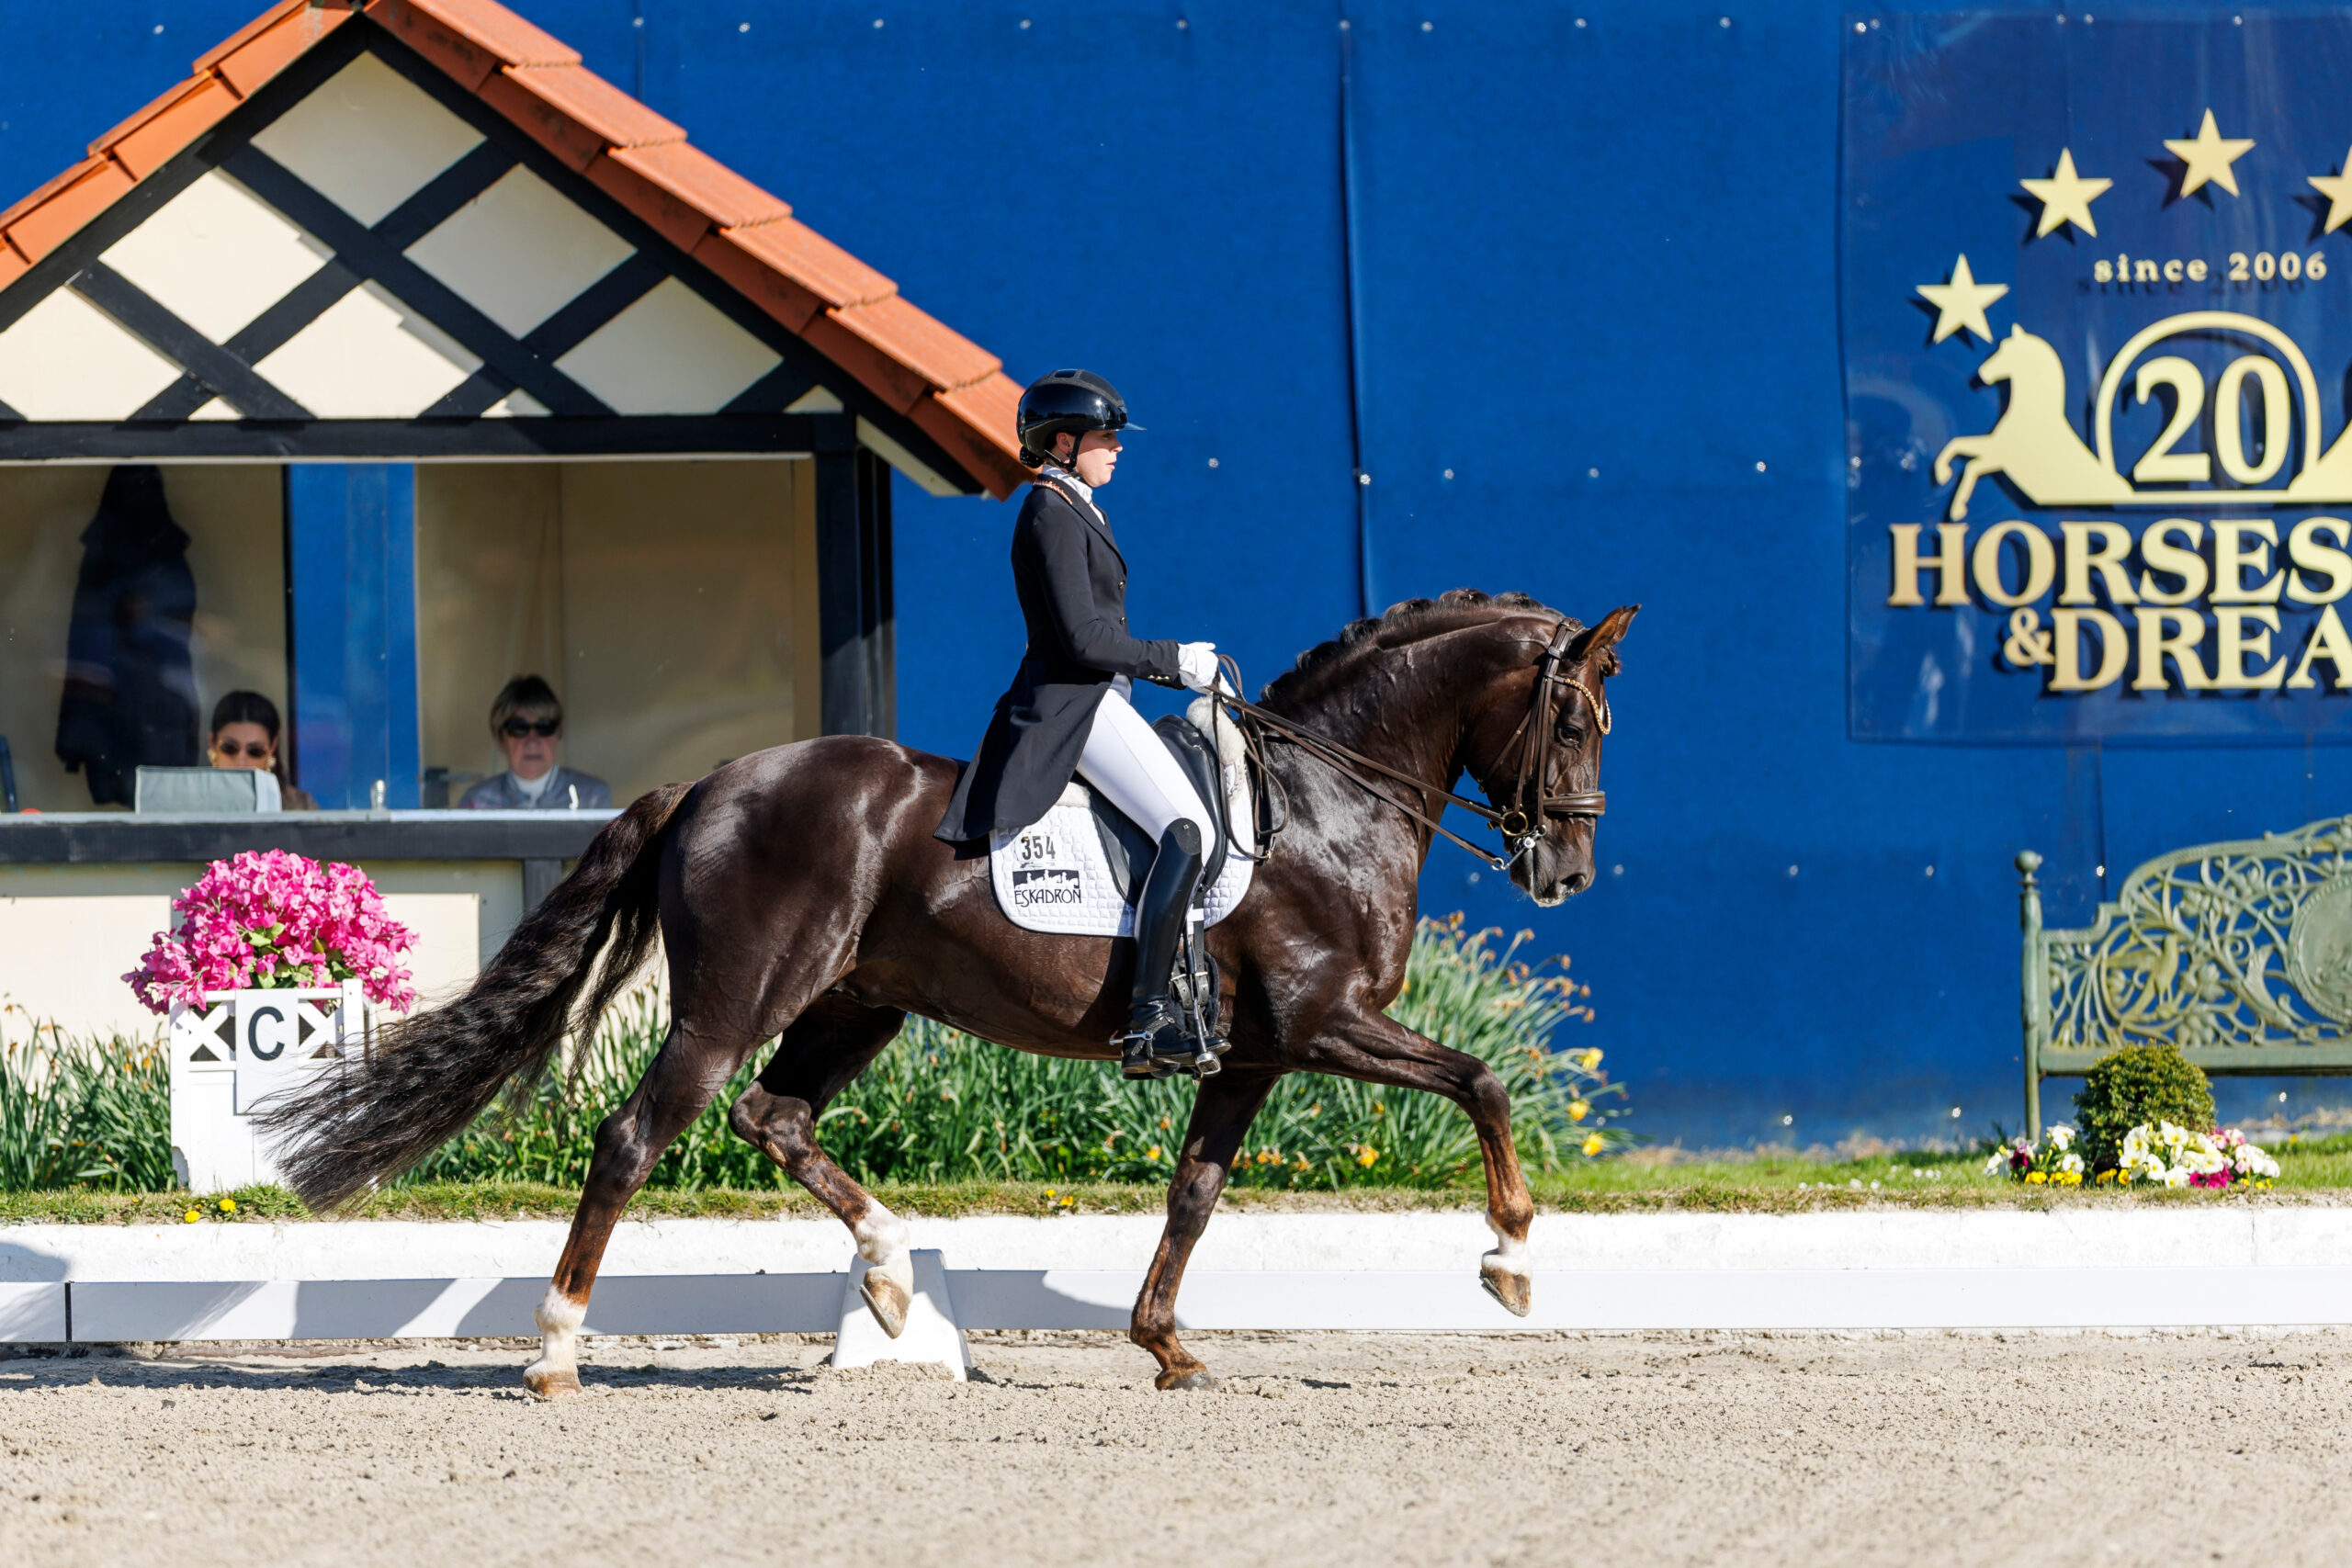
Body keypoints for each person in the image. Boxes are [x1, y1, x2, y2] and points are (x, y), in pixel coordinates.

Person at [935, 369, 1221, 1078]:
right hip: (1074, 702)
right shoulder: (1049, 512)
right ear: (1062, 442)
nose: (1117, 447)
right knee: (1189, 831)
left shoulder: (1079, 505)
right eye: (1104, 435)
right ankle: (1149, 1018)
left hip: (1098, 698)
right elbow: (1084, 639)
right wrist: (1173, 660)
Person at [458, 676, 612, 810]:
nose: (532, 741)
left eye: (544, 727)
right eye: (519, 728)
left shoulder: (592, 797)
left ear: (559, 733)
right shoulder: (478, 801)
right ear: (500, 737)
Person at [207, 690, 314, 810]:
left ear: (272, 746)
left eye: (255, 751)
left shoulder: (300, 809)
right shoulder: (190, 801)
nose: (241, 762)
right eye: (230, 748)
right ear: (212, 741)